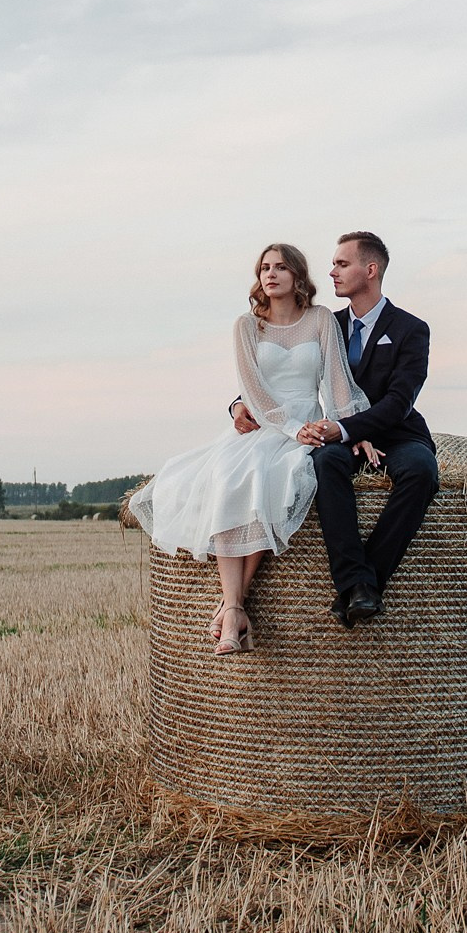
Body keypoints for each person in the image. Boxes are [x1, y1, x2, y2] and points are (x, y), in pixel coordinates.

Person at [128, 243, 366, 653]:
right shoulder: (246, 326)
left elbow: (337, 381)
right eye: (264, 268)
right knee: (228, 478)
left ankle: (231, 608)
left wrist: (351, 428)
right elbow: (252, 390)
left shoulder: (321, 319)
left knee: (267, 480)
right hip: (266, 424)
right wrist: (291, 428)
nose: (270, 274)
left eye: (280, 267)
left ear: (298, 276)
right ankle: (235, 608)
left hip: (307, 424)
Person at [292, 230, 438, 627]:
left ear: (370, 270)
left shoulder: (411, 329)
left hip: (399, 434)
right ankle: (358, 585)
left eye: (342, 264)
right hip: (342, 437)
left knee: (422, 471)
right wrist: (240, 402)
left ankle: (361, 584)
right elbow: (285, 368)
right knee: (325, 464)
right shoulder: (326, 324)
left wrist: (345, 428)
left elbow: (398, 401)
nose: (332, 272)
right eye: (334, 264)